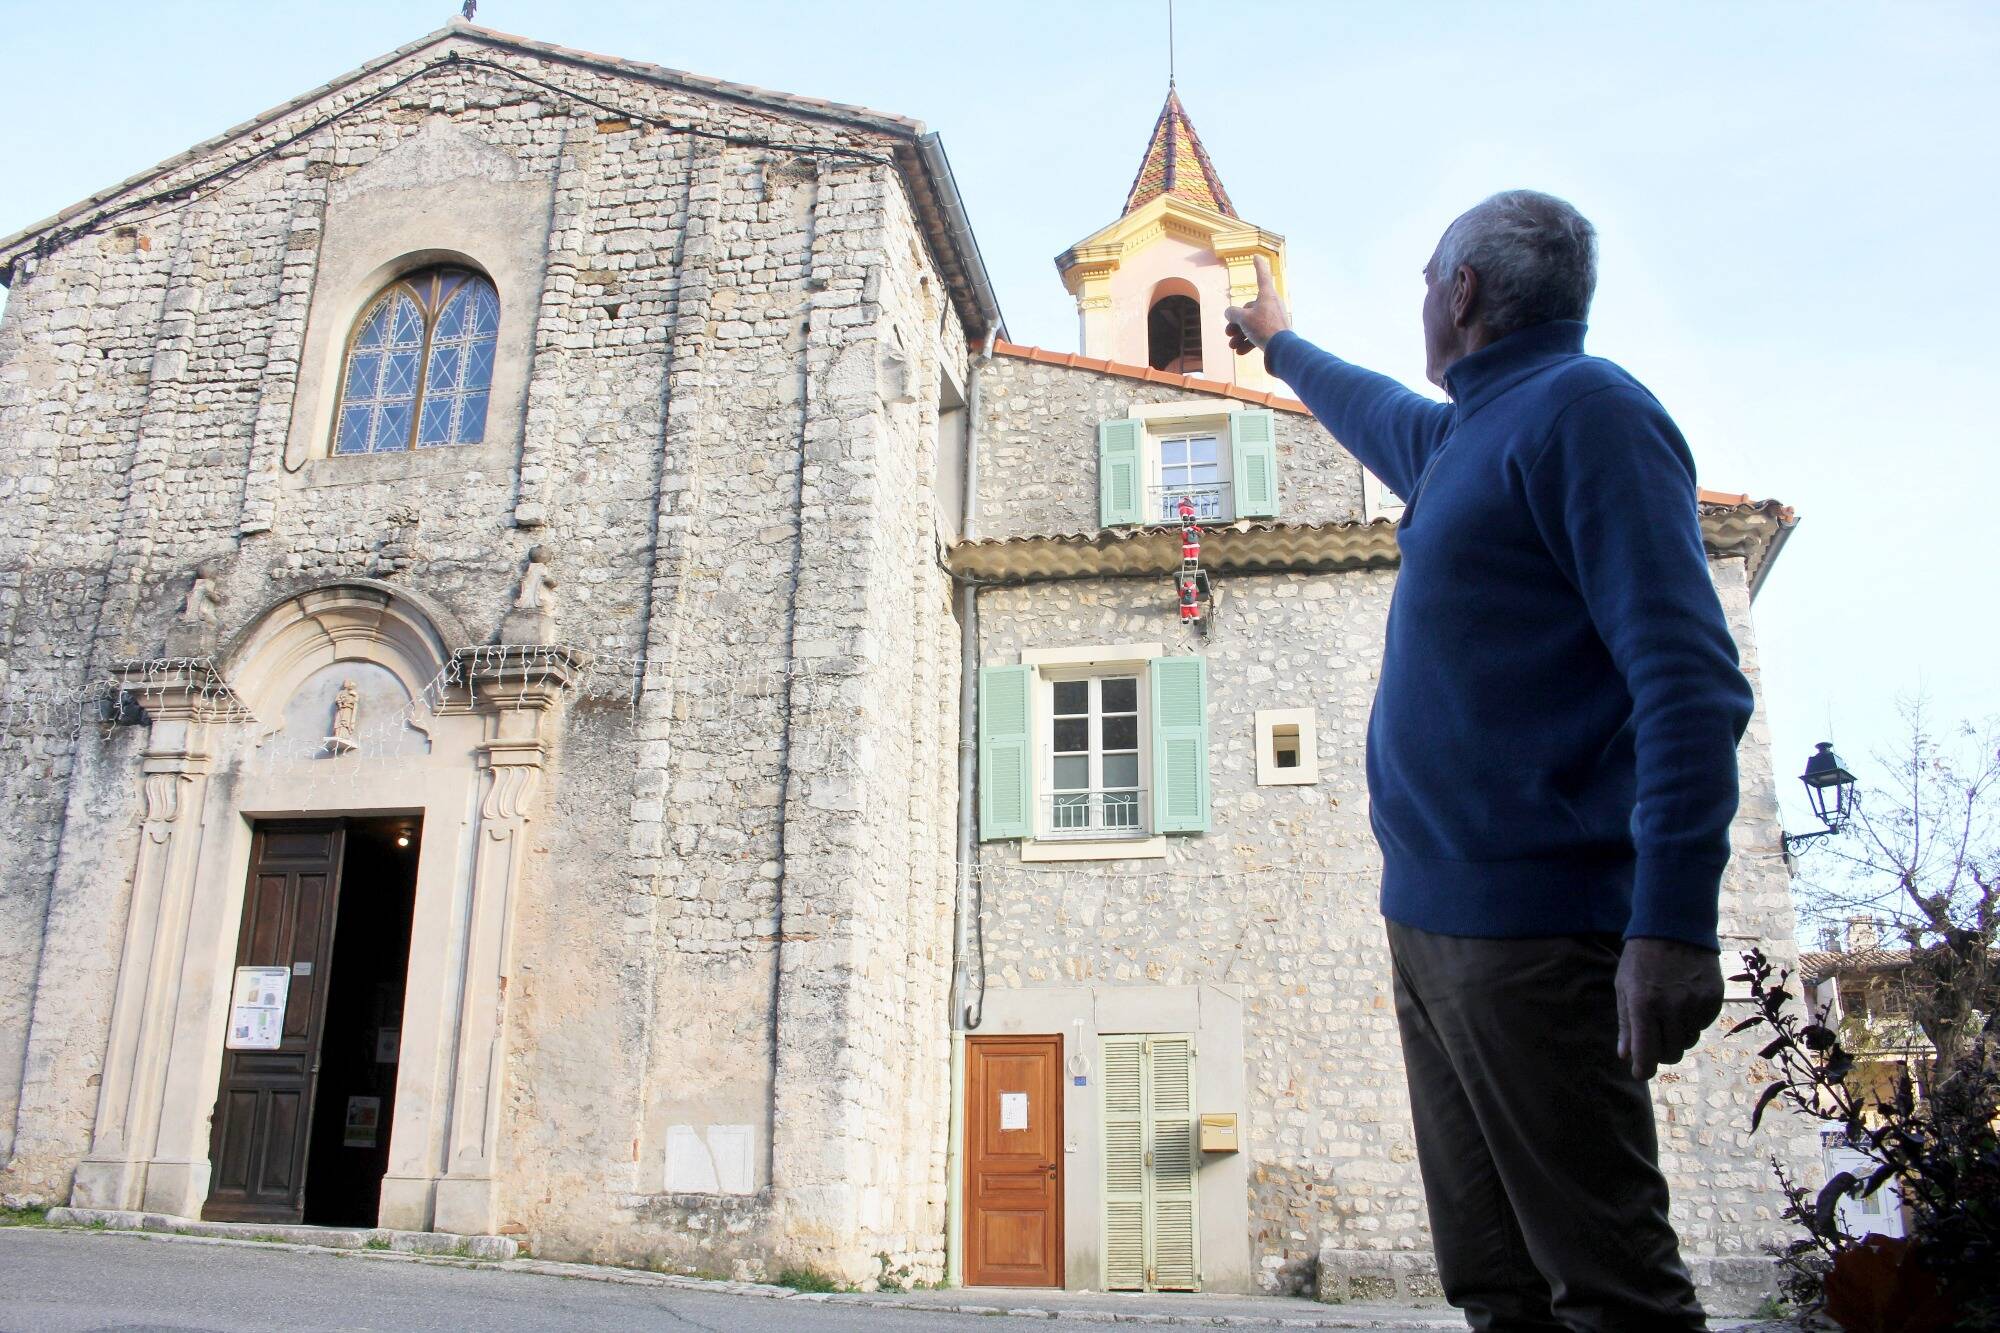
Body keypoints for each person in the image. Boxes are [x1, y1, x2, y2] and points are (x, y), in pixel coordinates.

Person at [1225, 190, 1754, 1332]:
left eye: (1426, 279)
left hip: (1534, 933)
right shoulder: (1468, 433)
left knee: (1611, 1291)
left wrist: (1669, 923)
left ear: (1460, 292)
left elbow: (1688, 680)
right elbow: (1373, 411)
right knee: (1494, 1284)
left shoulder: (1585, 415)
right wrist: (1279, 344)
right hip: (1430, 924)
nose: (1422, 298)